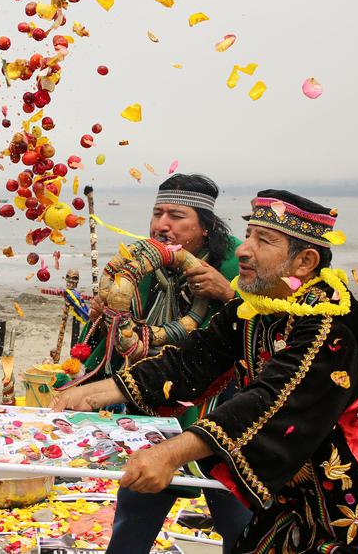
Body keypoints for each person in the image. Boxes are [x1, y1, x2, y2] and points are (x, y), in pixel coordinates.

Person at [53, 190, 358, 553]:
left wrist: (170, 455)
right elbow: (189, 362)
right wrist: (90, 393)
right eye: (248, 235)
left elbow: (270, 402)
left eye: (263, 240)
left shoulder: (329, 324)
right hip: (291, 494)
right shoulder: (254, 308)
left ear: (305, 262)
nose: (243, 249)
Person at [71, 174, 251, 554]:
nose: (161, 224)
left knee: (236, 515)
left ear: (206, 226)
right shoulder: (142, 261)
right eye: (157, 213)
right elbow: (115, 339)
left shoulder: (240, 262)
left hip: (223, 406)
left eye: (175, 215)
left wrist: (228, 293)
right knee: (135, 515)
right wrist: (106, 316)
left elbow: (271, 327)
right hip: (151, 399)